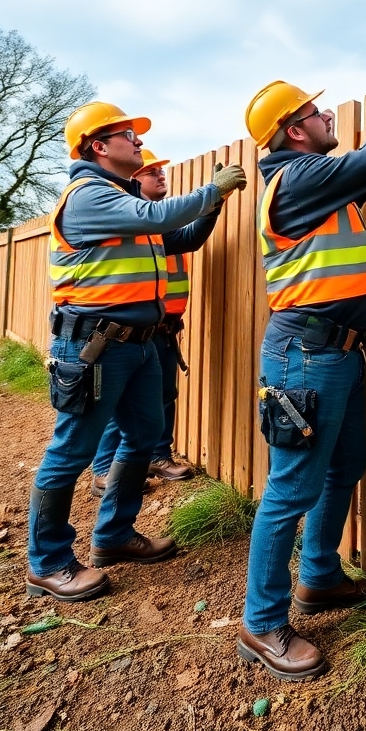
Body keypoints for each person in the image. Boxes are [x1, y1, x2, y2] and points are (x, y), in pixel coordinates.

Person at [237, 78, 366, 679]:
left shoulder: (316, 184)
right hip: (306, 356)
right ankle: (261, 623)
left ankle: (317, 578)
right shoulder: (295, 179)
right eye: (315, 112)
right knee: (290, 488)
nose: (324, 116)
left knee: (346, 467)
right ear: (295, 130)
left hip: (333, 354)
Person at [25, 101, 246, 602]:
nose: (140, 142)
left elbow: (181, 236)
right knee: (71, 451)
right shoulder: (88, 197)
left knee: (144, 437)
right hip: (94, 344)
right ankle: (48, 562)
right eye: (129, 135)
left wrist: (212, 203)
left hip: (139, 344)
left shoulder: (120, 202)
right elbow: (160, 213)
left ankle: (114, 537)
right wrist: (212, 189)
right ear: (98, 146)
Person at [90, 148, 220, 495]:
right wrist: (211, 195)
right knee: (121, 404)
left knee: (162, 396)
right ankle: (104, 469)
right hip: (128, 332)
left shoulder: (158, 229)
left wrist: (214, 204)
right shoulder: (131, 223)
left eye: (162, 171)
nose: (161, 176)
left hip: (162, 328)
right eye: (152, 172)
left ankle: (157, 457)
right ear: (134, 181)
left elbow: (189, 238)